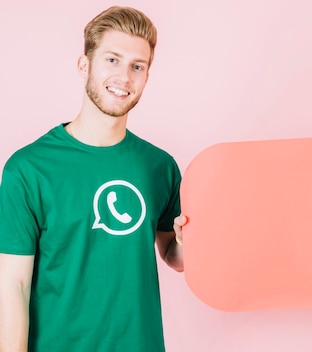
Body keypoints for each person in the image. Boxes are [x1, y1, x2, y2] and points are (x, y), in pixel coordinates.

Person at [0, 6, 185, 351]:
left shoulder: (160, 166)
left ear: (147, 76)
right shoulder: (28, 169)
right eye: (112, 60)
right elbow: (14, 285)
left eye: (137, 66)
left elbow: (175, 257)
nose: (124, 77)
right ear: (85, 64)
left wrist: (192, 237)